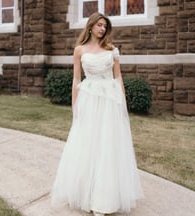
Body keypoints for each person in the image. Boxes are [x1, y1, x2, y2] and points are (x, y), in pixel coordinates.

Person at [51, 12, 143, 216]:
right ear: (91, 26)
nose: (102, 28)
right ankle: (86, 192)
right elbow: (76, 80)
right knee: (87, 144)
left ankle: (104, 199)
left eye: (105, 26)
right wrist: (75, 107)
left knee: (107, 147)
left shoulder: (112, 51)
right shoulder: (79, 50)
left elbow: (118, 78)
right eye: (99, 25)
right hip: (89, 100)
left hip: (110, 102)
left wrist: (122, 104)